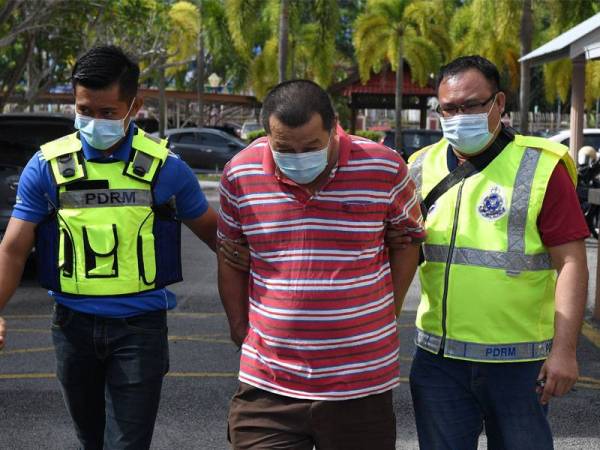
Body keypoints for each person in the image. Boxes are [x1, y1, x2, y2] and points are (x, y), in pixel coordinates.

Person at [0, 45, 245, 450]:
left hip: (140, 331)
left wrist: (264, 303)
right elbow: (12, 249)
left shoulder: (166, 168)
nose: (94, 121)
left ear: (135, 106)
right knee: (91, 440)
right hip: (71, 327)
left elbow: (218, 238)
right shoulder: (46, 166)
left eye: (108, 113)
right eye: (85, 110)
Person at [217, 79, 425, 450]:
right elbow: (231, 255)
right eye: (284, 148)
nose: (298, 156)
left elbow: (407, 240)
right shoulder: (240, 172)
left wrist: (387, 312)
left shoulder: (384, 167)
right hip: (268, 385)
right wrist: (238, 325)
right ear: (267, 135)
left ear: (333, 129)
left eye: (311, 146)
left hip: (361, 384)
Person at [407, 55, 589, 450]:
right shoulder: (419, 166)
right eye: (449, 108)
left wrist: (565, 351)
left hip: (519, 364)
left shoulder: (539, 166)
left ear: (499, 103)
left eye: (471, 105)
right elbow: (402, 256)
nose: (458, 116)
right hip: (439, 361)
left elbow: (572, 262)